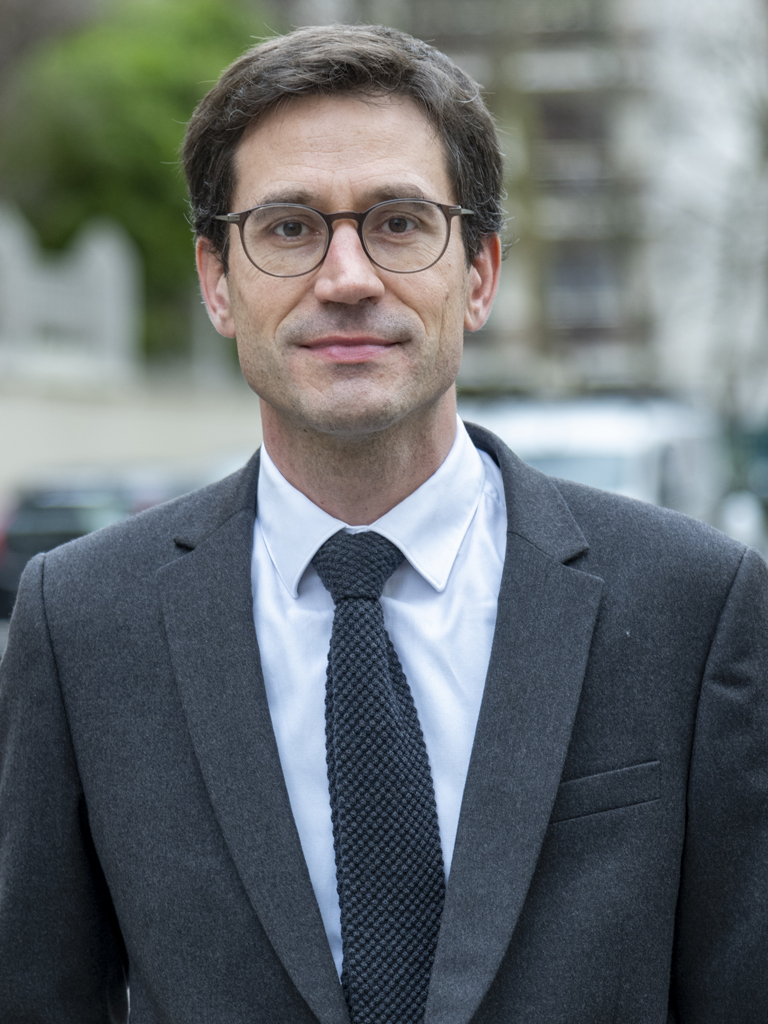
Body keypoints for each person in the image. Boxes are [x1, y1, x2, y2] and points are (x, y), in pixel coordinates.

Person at [0, 23, 766, 1024]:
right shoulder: (82, 621)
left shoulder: (691, 605)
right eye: (288, 228)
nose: (348, 277)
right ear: (217, 282)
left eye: (399, 223)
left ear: (480, 274)